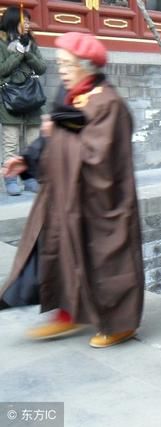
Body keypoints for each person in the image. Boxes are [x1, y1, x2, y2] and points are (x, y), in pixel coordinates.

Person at [0, 32, 144, 348]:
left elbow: (99, 157)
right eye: (60, 63)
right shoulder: (69, 95)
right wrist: (26, 159)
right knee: (61, 253)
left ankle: (121, 323)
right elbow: (54, 136)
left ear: (88, 66)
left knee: (106, 260)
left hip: (102, 200)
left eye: (68, 64)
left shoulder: (109, 103)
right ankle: (67, 314)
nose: (61, 70)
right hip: (66, 194)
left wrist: (60, 132)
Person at [0, 6, 46, 196]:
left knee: (32, 142)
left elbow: (42, 67)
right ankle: (10, 179)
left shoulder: (31, 42)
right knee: (11, 142)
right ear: (13, 21)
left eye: (28, 20)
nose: (27, 24)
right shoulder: (1, 43)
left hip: (32, 99)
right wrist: (18, 52)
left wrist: (27, 51)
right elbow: (2, 70)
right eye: (24, 20)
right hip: (10, 99)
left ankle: (29, 178)